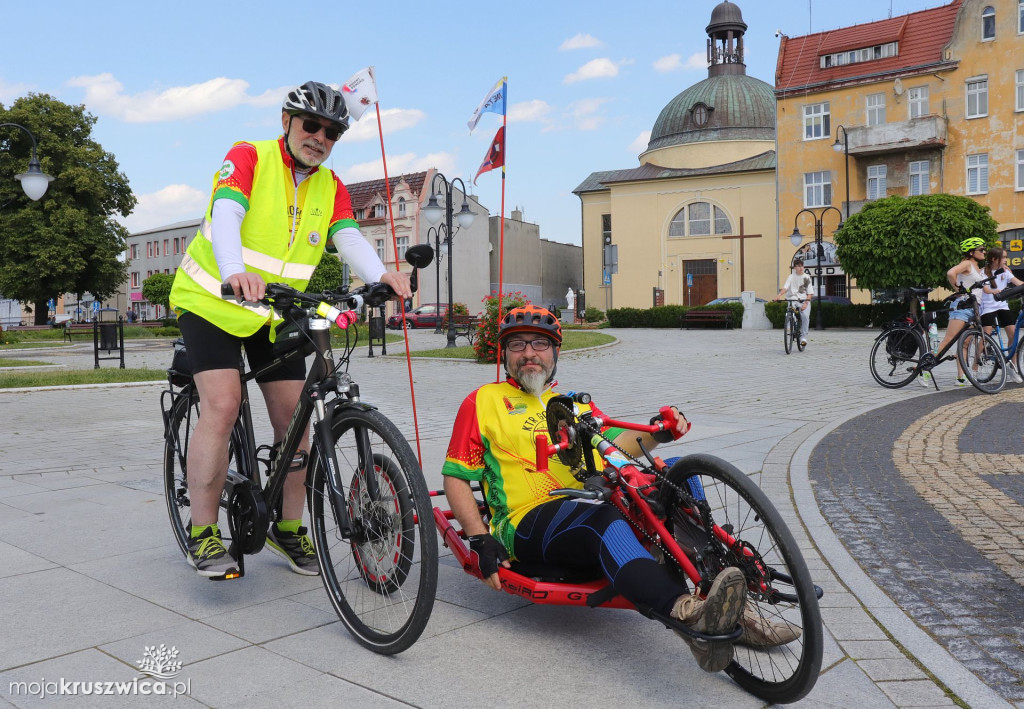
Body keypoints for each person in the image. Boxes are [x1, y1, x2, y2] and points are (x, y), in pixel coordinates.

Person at [442, 306, 800, 673]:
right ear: (504, 354)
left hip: (592, 496)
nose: (529, 353)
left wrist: (660, 432)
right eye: (518, 344)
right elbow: (455, 476)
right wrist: (479, 538)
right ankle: (689, 616)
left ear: (555, 353)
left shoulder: (571, 404)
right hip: (527, 520)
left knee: (676, 473)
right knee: (600, 516)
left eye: (539, 344)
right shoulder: (484, 401)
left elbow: (616, 444)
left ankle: (726, 602)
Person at [168, 81, 411, 578]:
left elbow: (348, 238)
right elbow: (228, 211)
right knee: (223, 403)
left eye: (331, 132)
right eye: (310, 125)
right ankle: (204, 532)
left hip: (273, 311)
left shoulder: (331, 186)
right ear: (287, 122)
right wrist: (234, 268)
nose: (319, 136)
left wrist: (380, 276)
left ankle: (288, 527)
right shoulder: (249, 156)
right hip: (213, 300)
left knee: (296, 415)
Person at [921, 237, 988, 388]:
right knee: (948, 340)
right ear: (971, 252)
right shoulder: (967, 263)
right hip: (962, 307)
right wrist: (958, 289)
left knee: (964, 343)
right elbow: (951, 272)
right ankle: (924, 369)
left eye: (984, 249)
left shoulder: (977, 267)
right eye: (981, 250)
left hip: (974, 307)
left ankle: (961, 377)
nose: (984, 252)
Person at [980, 247, 1024, 384]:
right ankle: (975, 366)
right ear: (994, 259)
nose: (1006, 260)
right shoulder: (983, 273)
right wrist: (993, 291)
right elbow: (985, 288)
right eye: (1004, 257)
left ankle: (1012, 366)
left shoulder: (1005, 271)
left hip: (1002, 305)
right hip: (988, 307)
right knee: (985, 337)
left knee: (1013, 335)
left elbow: (1018, 282)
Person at [776, 259, 813, 347]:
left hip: (804, 300)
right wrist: (778, 295)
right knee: (790, 306)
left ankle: (804, 337)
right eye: (798, 266)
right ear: (795, 268)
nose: (801, 268)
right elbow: (785, 288)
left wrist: (805, 304)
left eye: (802, 266)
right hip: (793, 299)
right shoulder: (791, 277)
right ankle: (789, 322)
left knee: (805, 316)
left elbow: (810, 293)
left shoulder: (806, 277)